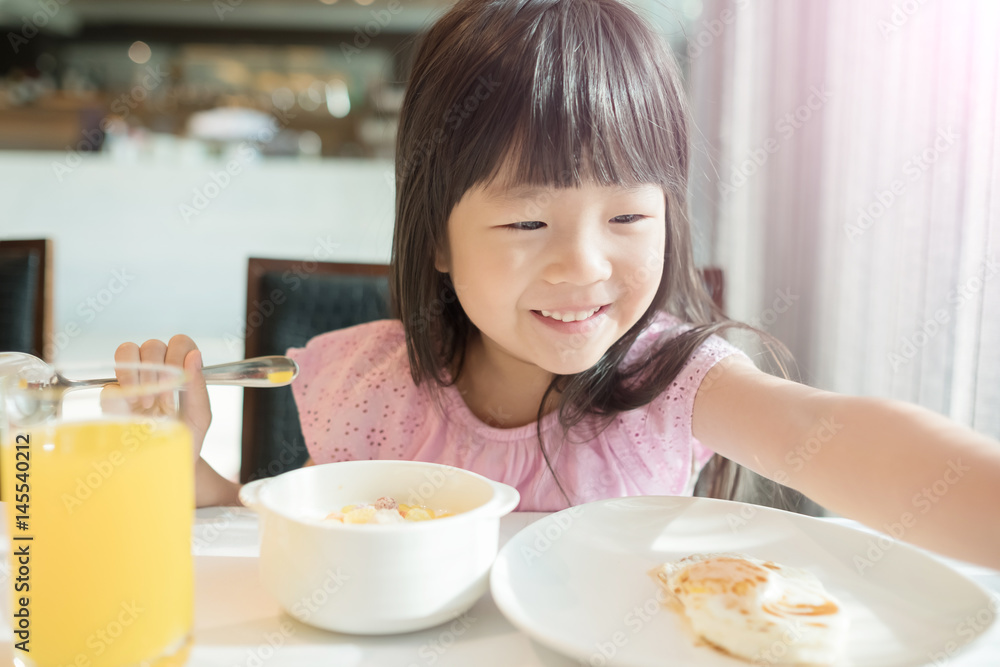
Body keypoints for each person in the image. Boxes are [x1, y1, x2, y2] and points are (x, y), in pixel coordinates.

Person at [115, 0, 1000, 568]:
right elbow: (291, 561)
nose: (585, 267)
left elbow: (829, 433)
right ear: (437, 239)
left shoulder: (672, 382)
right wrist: (181, 466)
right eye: (527, 222)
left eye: (626, 217)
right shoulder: (368, 388)